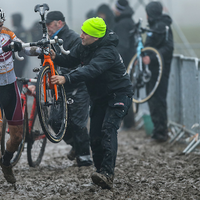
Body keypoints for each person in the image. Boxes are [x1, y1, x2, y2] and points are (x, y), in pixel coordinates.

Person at [50, 17, 133, 189]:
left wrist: (67, 78)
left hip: (118, 95)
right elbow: (71, 60)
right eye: (81, 31)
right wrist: (55, 57)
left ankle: (107, 174)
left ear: (95, 37)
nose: (80, 36)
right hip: (99, 98)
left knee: (108, 130)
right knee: (95, 137)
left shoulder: (107, 52)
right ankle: (100, 172)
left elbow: (91, 70)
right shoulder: (84, 46)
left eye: (85, 33)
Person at [43, 11, 93, 167]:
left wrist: (65, 77)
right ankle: (77, 146)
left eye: (49, 24)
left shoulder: (72, 38)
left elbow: (77, 63)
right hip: (59, 87)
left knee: (78, 122)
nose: (47, 28)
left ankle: (84, 157)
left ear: (59, 23)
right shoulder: (48, 40)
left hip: (78, 85)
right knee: (54, 121)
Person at [0, 8, 40, 184]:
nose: (1, 26)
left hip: (10, 88)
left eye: (1, 22)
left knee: (17, 137)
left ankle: (6, 163)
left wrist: (42, 49)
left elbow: (25, 47)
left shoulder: (7, 33)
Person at [143, 1, 174, 142]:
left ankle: (161, 132)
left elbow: (168, 48)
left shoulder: (164, 27)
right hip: (151, 70)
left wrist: (152, 58)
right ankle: (157, 131)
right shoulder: (154, 27)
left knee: (159, 100)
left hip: (160, 70)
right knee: (152, 100)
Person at [113, 0, 136, 129]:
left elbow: (122, 46)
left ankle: (128, 122)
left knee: (124, 91)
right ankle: (129, 121)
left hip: (125, 63)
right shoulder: (129, 21)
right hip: (129, 62)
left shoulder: (122, 24)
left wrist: (114, 61)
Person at [11, 13, 28, 91]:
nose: (11, 21)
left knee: (18, 77)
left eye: (13, 19)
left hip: (20, 58)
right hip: (17, 58)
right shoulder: (17, 30)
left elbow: (21, 45)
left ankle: (19, 94)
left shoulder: (21, 31)